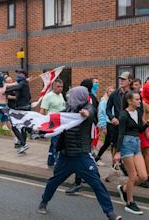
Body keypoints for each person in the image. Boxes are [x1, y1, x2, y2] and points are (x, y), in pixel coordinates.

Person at [37, 86, 122, 220]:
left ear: (79, 97)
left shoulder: (88, 107)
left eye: (72, 95)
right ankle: (43, 202)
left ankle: (110, 213)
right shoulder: (69, 109)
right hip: (65, 156)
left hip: (82, 157)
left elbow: (90, 113)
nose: (69, 97)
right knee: (54, 181)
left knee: (97, 184)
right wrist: (39, 125)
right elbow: (57, 118)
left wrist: (85, 114)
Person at [114, 90, 149, 215]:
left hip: (136, 144)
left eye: (139, 99)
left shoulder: (138, 112)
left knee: (143, 176)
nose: (139, 101)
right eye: (136, 99)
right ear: (129, 101)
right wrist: (118, 152)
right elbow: (120, 134)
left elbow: (139, 130)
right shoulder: (123, 115)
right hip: (126, 145)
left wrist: (147, 125)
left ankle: (124, 189)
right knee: (133, 176)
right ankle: (129, 203)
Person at [106, 72, 133, 177]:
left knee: (127, 146)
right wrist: (112, 117)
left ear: (130, 81)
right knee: (115, 146)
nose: (121, 81)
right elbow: (107, 109)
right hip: (117, 125)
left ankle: (127, 168)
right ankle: (114, 169)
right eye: (120, 79)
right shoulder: (114, 94)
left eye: (124, 79)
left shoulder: (133, 94)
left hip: (129, 126)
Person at [39, 79, 65, 167]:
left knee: (54, 142)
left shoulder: (61, 95)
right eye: (58, 86)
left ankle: (50, 162)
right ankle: (58, 163)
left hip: (60, 122)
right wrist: (40, 125)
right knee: (56, 143)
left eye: (61, 87)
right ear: (53, 86)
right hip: (52, 123)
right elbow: (42, 111)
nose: (60, 88)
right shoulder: (48, 96)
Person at [5, 69, 31, 153]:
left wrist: (5, 91)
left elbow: (17, 87)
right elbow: (29, 96)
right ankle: (23, 144)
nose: (18, 75)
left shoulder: (22, 83)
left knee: (14, 126)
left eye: (19, 74)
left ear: (23, 75)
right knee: (23, 127)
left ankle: (23, 144)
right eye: (17, 74)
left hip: (22, 108)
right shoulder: (25, 83)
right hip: (25, 107)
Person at [95, 87, 116, 166]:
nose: (111, 93)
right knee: (109, 142)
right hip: (108, 123)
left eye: (113, 91)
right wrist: (103, 126)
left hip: (114, 124)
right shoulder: (104, 101)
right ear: (107, 92)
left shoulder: (114, 100)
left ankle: (114, 161)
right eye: (110, 91)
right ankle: (97, 158)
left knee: (111, 142)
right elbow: (101, 113)